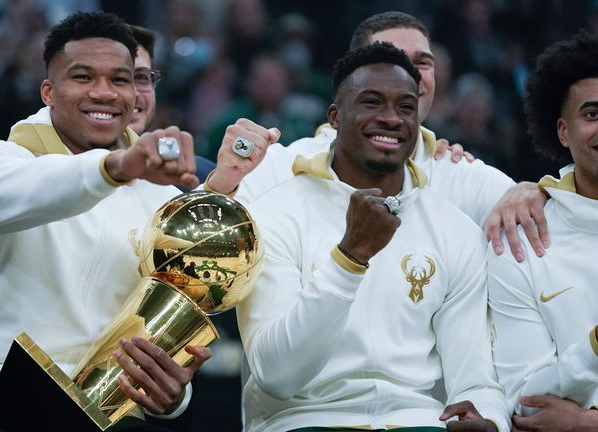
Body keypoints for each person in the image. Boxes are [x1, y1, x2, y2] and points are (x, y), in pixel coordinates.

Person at [0, 11, 275, 431]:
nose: (104, 93)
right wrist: (118, 166)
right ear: (48, 91)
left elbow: (161, 324)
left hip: (108, 414)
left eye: (120, 80)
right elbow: (34, 189)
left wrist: (171, 395)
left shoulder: (165, 202)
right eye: (82, 78)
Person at [237, 42, 509, 432]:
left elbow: (476, 379)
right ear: (335, 117)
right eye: (371, 102)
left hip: (417, 421)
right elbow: (277, 376)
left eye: (405, 107)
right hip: (304, 421)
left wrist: (490, 419)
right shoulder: (274, 215)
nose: (391, 119)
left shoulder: (453, 228)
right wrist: (349, 259)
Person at [206, 11, 548, 264]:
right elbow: (203, 247)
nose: (408, 75)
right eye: (391, 59)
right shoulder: (281, 164)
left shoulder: (461, 173)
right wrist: (221, 185)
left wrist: (532, 190)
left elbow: (563, 225)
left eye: (422, 63)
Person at [487, 31, 598, 432]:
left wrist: (586, 423)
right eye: (592, 114)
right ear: (563, 131)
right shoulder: (519, 240)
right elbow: (526, 405)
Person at [129, 24, 217, 184]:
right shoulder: (71, 176)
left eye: (141, 77)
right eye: (118, 79)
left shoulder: (203, 178)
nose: (133, 92)